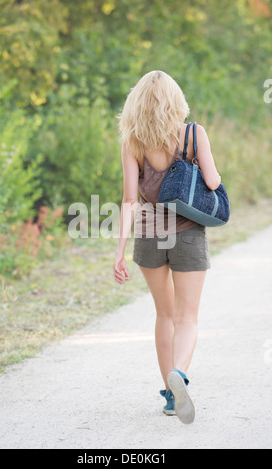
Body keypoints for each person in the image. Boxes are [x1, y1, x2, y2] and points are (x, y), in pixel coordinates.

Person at [113, 70, 221, 424]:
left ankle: (171, 396)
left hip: (147, 236)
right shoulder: (194, 134)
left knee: (165, 315)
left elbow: (130, 200)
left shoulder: (133, 141)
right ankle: (181, 372)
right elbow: (212, 180)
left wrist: (119, 252)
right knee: (188, 317)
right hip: (188, 233)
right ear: (175, 101)